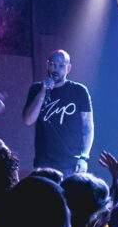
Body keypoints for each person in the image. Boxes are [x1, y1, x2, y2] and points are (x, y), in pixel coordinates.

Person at [22, 50, 94, 178]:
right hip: (43, 163)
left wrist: (84, 157)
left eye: (61, 66)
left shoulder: (79, 91)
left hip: (71, 164)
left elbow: (87, 126)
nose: (55, 69)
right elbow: (28, 120)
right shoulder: (36, 89)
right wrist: (43, 92)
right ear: (47, 65)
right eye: (53, 65)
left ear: (68, 68)